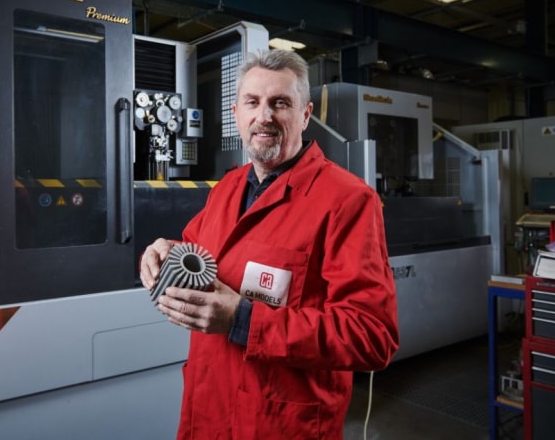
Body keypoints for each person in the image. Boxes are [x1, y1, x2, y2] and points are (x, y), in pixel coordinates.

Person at [139, 49, 399, 440]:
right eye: (252, 102)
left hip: (279, 424)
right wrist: (163, 252)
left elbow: (372, 336)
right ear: (236, 114)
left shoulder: (347, 201)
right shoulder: (227, 188)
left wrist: (242, 320)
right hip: (206, 413)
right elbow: (197, 250)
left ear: (305, 115)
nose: (264, 116)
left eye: (280, 103)